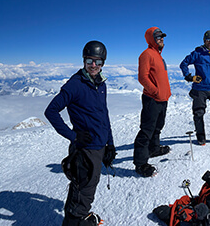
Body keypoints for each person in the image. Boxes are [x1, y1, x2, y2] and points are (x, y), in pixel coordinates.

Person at [45, 40, 116, 226]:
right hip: (85, 148)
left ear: (103, 64)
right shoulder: (74, 85)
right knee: (83, 187)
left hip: (99, 145)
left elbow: (104, 114)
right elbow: (51, 111)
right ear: (84, 61)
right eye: (90, 61)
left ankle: (80, 216)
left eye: (98, 62)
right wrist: (73, 136)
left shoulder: (100, 83)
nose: (94, 66)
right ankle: (74, 221)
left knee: (89, 186)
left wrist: (110, 143)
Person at [133, 27, 172, 177]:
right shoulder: (146, 54)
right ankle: (140, 164)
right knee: (146, 130)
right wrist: (155, 91)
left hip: (162, 99)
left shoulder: (159, 56)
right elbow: (143, 77)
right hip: (152, 99)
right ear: (151, 39)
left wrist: (165, 93)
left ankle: (154, 149)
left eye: (162, 37)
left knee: (158, 127)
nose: (161, 39)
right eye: (158, 37)